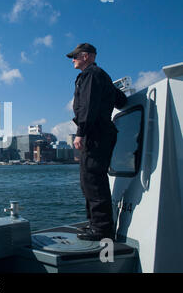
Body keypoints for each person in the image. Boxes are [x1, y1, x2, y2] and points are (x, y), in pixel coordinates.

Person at [67, 43, 127, 241]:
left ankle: (101, 230)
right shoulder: (102, 76)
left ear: (85, 56)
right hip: (102, 132)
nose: (72, 60)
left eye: (75, 57)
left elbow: (88, 106)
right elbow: (122, 101)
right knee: (90, 180)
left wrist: (80, 132)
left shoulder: (91, 75)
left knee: (93, 180)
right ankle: (95, 225)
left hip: (96, 133)